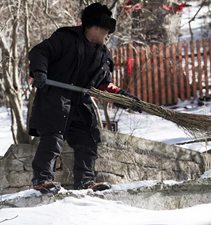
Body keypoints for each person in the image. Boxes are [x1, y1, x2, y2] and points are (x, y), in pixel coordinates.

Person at [28, 3, 140, 194]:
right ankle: (42, 179)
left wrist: (125, 98)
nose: (108, 35)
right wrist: (39, 71)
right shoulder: (65, 38)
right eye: (106, 30)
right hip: (56, 97)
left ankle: (85, 182)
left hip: (80, 101)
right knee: (53, 137)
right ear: (94, 27)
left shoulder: (103, 54)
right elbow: (40, 52)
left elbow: (104, 85)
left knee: (88, 137)